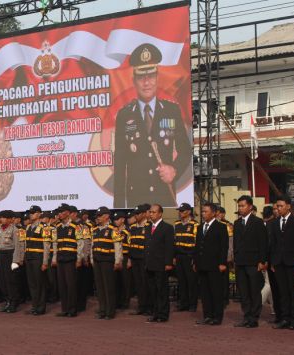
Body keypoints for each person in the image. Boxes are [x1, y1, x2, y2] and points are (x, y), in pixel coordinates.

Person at [113, 43, 192, 208]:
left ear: (157, 78)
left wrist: (174, 170)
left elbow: (185, 150)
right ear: (134, 80)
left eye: (150, 76)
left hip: (164, 198)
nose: (146, 82)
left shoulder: (171, 110)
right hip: (137, 201)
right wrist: (119, 208)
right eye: (141, 77)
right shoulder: (125, 115)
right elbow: (120, 165)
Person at [269, 195, 294, 330]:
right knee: (282, 292)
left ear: (288, 206)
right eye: (277, 206)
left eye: (281, 206)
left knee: (293, 292)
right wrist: (272, 261)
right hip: (278, 262)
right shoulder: (274, 223)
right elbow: (273, 244)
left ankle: (293, 320)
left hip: (292, 262)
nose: (278, 209)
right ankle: (284, 318)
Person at [233, 195, 269, 328]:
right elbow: (236, 243)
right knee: (243, 291)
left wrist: (262, 260)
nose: (240, 208)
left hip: (254, 262)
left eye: (243, 206)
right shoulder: (237, 223)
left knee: (254, 291)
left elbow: (263, 243)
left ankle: (254, 318)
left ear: (250, 207)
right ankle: (246, 316)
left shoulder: (258, 222)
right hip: (240, 262)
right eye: (239, 206)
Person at [194, 203, 228, 326]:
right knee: (205, 292)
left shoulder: (221, 227)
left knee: (216, 291)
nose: (203, 214)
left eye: (206, 211)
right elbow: (198, 246)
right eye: (202, 211)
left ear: (213, 213)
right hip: (202, 264)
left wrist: (222, 263)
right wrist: (196, 261)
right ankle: (207, 315)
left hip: (215, 264)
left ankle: (217, 316)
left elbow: (224, 247)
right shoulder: (200, 227)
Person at [53, 205, 87, 317]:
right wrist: (55, 258)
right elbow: (55, 244)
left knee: (71, 285)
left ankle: (72, 309)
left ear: (67, 213)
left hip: (71, 259)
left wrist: (79, 258)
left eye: (61, 212)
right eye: (59, 212)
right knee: (62, 285)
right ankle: (65, 309)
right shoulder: (58, 227)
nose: (59, 214)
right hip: (61, 259)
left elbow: (80, 243)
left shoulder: (76, 226)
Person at [145, 204, 175, 323]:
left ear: (160, 214)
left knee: (162, 290)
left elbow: (169, 247)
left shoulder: (167, 228)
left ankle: (163, 314)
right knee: (153, 290)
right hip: (150, 264)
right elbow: (146, 246)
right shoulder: (148, 227)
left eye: (153, 212)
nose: (151, 214)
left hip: (161, 264)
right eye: (150, 212)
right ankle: (155, 313)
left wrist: (168, 263)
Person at [91, 207, 123, 320]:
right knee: (100, 287)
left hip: (108, 261)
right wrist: (91, 260)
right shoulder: (95, 230)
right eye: (97, 216)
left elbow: (118, 246)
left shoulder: (113, 229)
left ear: (106, 216)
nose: (98, 218)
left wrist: (117, 261)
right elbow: (92, 246)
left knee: (109, 287)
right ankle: (102, 310)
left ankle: (110, 311)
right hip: (97, 261)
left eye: (100, 216)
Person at [23, 205, 51, 316]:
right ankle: (35, 305)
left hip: (38, 258)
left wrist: (45, 262)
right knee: (32, 284)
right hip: (30, 258)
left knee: (40, 284)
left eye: (33, 212)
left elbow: (46, 246)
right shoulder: (29, 227)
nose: (31, 214)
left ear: (39, 214)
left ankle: (41, 307)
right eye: (30, 212)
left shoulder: (45, 227)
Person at [174, 203, 199, 312]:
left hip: (189, 257)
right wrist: (174, 256)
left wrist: (195, 259)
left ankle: (192, 304)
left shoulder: (195, 225)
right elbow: (174, 241)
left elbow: (197, 243)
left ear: (189, 212)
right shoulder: (177, 224)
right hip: (179, 256)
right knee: (181, 281)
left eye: (182, 211)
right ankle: (183, 303)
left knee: (191, 281)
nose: (180, 213)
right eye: (179, 210)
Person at [0, 210, 23, 313]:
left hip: (11, 256)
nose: (1, 219)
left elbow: (17, 246)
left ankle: (13, 303)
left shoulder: (14, 230)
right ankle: (7, 301)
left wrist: (16, 261)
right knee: (2, 280)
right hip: (2, 255)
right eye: (1, 217)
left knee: (11, 280)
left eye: (3, 217)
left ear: (9, 219)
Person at [128, 205, 152, 316]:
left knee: (146, 283)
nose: (136, 216)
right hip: (134, 258)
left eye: (138, 214)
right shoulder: (132, 227)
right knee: (138, 283)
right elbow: (130, 243)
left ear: (143, 214)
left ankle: (149, 307)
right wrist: (129, 259)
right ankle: (141, 306)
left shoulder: (149, 226)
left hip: (144, 259)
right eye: (135, 214)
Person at [113, 211, 132, 311]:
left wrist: (129, 259)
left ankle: (125, 302)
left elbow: (130, 246)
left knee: (125, 280)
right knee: (117, 280)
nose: (116, 221)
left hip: (125, 256)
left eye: (118, 219)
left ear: (123, 220)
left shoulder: (127, 231)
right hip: (116, 258)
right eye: (115, 219)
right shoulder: (114, 230)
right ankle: (117, 301)